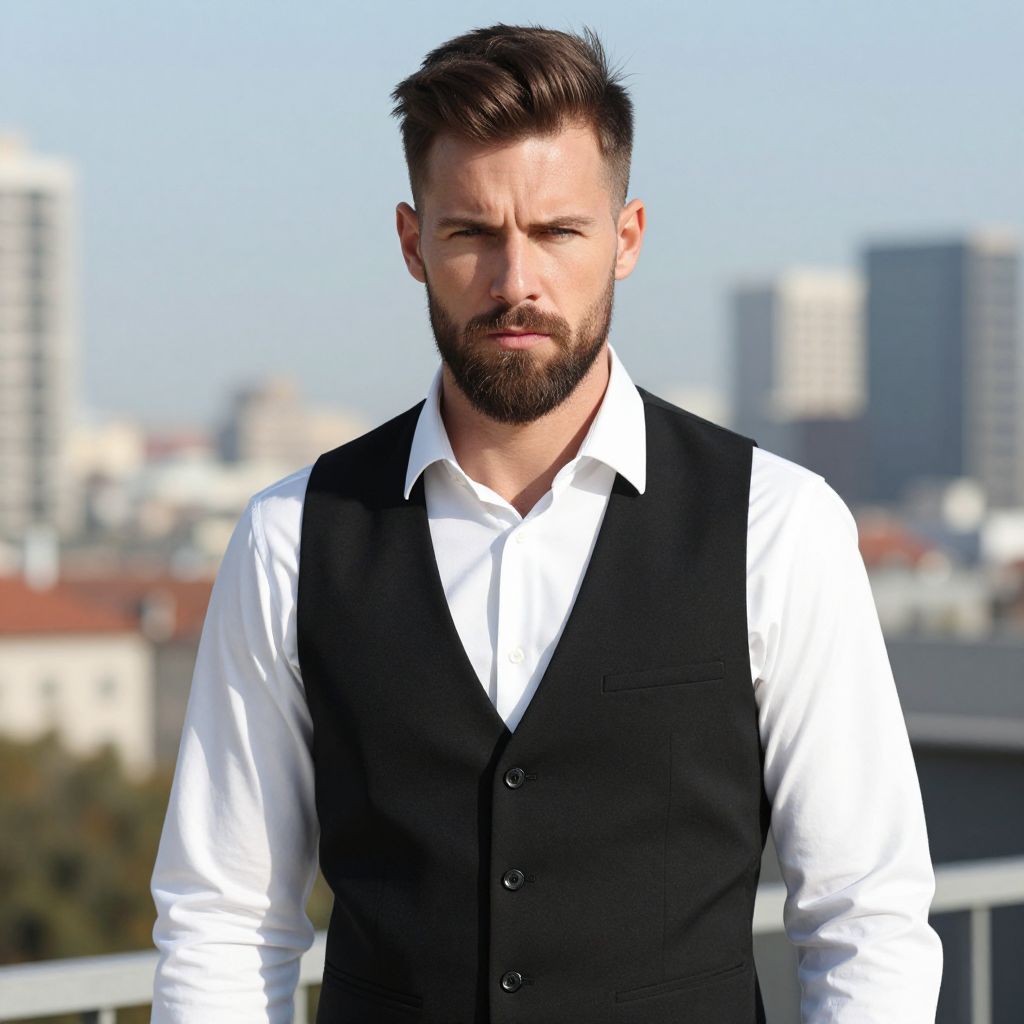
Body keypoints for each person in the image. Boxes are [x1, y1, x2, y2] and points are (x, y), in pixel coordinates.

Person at [150, 23, 943, 1024]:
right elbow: (223, 920)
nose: (514, 281)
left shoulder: (778, 528)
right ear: (412, 243)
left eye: (558, 232)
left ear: (626, 237)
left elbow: (865, 917)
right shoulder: (291, 540)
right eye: (472, 232)